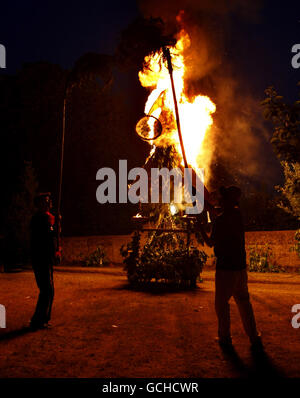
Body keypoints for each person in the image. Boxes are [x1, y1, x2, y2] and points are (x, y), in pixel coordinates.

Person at [199, 186, 262, 350]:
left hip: (226, 269)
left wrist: (199, 229)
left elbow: (211, 243)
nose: (219, 199)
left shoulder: (220, 220)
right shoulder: (237, 216)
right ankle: (254, 337)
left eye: (222, 198)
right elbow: (221, 213)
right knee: (244, 303)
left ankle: (225, 338)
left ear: (225, 201)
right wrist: (211, 209)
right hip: (240, 267)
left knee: (221, 304)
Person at [30, 192, 56, 330]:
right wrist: (52, 223)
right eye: (45, 201)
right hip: (41, 259)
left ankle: (43, 319)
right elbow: (45, 238)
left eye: (49, 200)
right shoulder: (39, 219)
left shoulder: (45, 218)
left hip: (46, 259)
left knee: (49, 290)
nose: (48, 202)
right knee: (47, 290)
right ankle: (38, 320)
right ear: (39, 204)